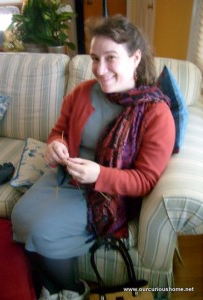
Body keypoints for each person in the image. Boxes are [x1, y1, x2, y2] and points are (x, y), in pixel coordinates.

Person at [11, 15, 175, 300]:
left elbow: (146, 180)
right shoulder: (82, 93)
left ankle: (75, 290)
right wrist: (55, 146)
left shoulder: (155, 112)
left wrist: (99, 175)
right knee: (20, 216)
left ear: (135, 58)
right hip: (66, 177)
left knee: (43, 233)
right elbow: (58, 132)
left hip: (108, 195)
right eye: (95, 58)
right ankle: (53, 286)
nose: (99, 70)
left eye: (111, 58)